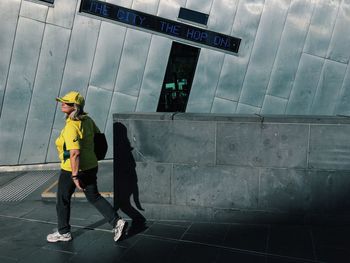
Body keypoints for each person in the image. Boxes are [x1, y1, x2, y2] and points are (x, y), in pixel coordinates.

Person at [47, 91, 126, 243]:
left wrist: (75, 176)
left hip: (72, 169)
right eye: (62, 102)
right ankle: (117, 222)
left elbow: (74, 153)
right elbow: (99, 138)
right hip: (91, 165)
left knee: (62, 198)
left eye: (67, 103)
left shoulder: (72, 126)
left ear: (75, 106)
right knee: (94, 197)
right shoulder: (88, 120)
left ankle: (64, 232)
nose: (62, 104)